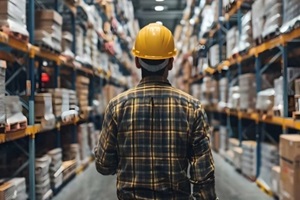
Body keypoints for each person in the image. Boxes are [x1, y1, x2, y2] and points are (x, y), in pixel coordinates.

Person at [94, 23, 217, 200]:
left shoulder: (117, 106)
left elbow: (104, 166)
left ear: (137, 62)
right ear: (172, 63)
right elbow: (203, 175)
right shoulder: (192, 108)